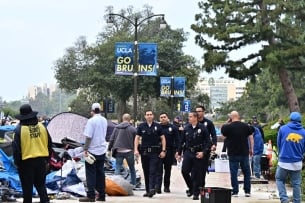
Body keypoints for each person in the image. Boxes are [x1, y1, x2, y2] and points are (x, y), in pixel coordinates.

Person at [13, 104, 52, 203]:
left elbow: (16, 150)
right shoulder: (42, 127)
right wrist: (47, 160)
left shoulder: (19, 130)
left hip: (26, 163)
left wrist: (17, 163)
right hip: (41, 161)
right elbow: (49, 144)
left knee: (27, 188)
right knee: (41, 186)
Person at [176, 111, 211, 200]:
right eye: (189, 117)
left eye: (191, 116)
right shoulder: (186, 128)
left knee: (196, 174)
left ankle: (196, 193)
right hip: (188, 152)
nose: (189, 118)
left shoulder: (202, 128)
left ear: (195, 118)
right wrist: (179, 153)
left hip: (198, 152)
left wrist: (203, 152)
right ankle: (191, 187)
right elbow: (181, 141)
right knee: (184, 171)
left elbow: (208, 142)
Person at [79, 103, 108, 202]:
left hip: (92, 151)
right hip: (102, 150)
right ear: (100, 110)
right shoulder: (104, 120)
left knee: (90, 173)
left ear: (92, 111)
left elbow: (88, 137)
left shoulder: (91, 121)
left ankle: (91, 195)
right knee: (101, 173)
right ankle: (102, 195)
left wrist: (85, 149)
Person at [134, 110, 166, 198]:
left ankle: (152, 188)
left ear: (153, 116)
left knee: (152, 170)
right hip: (144, 152)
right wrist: (136, 150)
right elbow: (137, 138)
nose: (149, 116)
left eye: (150, 114)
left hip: (154, 152)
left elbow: (163, 138)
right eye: (147, 115)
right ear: (145, 116)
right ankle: (148, 190)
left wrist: (163, 150)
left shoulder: (157, 126)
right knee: (146, 171)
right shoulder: (141, 126)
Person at [221, 111, 253, 197]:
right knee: (246, 172)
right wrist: (251, 149)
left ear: (231, 117)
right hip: (244, 152)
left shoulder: (228, 127)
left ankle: (235, 191)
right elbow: (251, 137)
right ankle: (247, 191)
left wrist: (227, 123)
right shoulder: (246, 126)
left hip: (232, 153)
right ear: (238, 116)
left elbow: (223, 136)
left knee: (234, 173)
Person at [276, 112, 305, 203]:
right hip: (297, 162)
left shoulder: (282, 129)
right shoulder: (304, 132)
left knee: (280, 179)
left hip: (284, 161)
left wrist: (281, 154)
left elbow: (279, 144)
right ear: (300, 121)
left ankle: (284, 199)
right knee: (296, 184)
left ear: (290, 119)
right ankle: (297, 201)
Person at [107, 113, 137, 187]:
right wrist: (136, 150)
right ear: (129, 120)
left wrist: (109, 149)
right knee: (132, 168)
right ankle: (133, 184)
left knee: (117, 167)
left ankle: (116, 184)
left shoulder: (117, 128)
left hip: (119, 151)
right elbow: (136, 140)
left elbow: (112, 139)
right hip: (129, 151)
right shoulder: (133, 129)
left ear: (122, 119)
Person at [156, 112, 179, 193]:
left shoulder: (173, 128)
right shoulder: (157, 128)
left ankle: (166, 187)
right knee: (159, 170)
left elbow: (177, 140)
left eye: (164, 117)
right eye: (161, 117)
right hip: (159, 151)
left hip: (170, 151)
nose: (163, 118)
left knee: (168, 170)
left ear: (167, 118)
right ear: (159, 119)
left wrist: (177, 151)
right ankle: (158, 187)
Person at [195, 105, 217, 188]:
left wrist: (214, 144)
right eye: (196, 111)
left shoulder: (208, 123)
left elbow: (214, 135)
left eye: (200, 111)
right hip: (193, 148)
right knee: (193, 169)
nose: (198, 113)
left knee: (202, 169)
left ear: (203, 112)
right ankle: (193, 187)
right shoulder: (192, 122)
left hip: (205, 148)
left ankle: (201, 186)